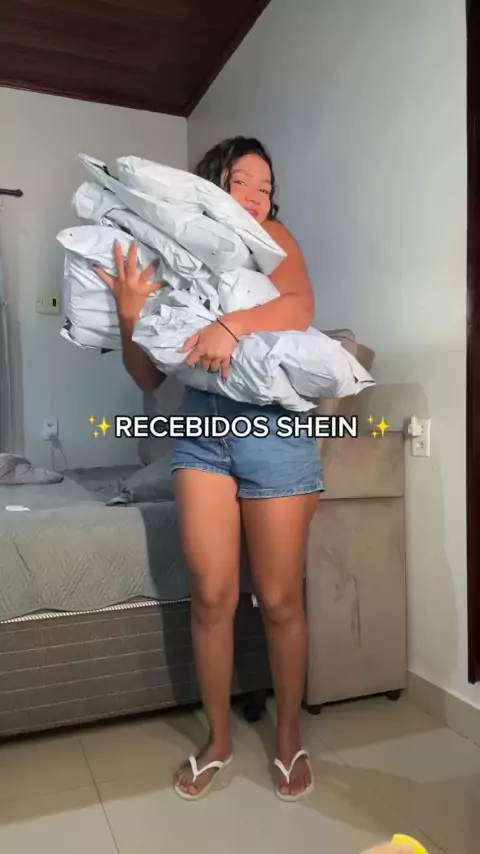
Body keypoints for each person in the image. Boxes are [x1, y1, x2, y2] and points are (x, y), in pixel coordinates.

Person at [94, 136, 324, 802]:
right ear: (212, 185)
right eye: (241, 181)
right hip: (201, 436)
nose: (255, 197)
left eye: (265, 187)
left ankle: (288, 738)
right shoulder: (180, 252)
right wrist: (130, 315)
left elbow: (299, 306)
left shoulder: (273, 239)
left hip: (275, 434)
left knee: (279, 600)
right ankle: (218, 740)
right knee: (213, 599)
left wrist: (230, 328)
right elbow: (148, 378)